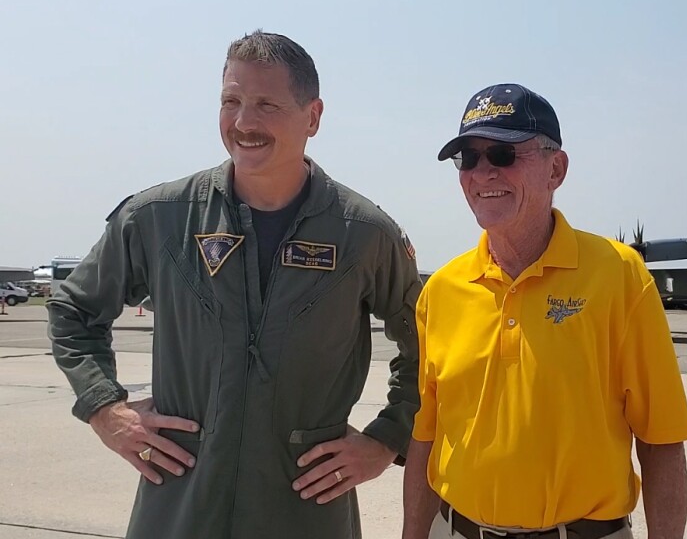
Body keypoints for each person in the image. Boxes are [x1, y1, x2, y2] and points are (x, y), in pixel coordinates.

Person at [47, 30, 422, 539]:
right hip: (180, 507)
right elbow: (73, 310)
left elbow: (429, 344)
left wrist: (387, 438)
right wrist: (104, 409)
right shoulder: (159, 219)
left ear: (312, 117)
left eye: (267, 104)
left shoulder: (364, 234)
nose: (244, 123)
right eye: (231, 101)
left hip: (305, 509)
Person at [402, 84, 687, 539]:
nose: (483, 173)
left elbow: (661, 440)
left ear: (555, 169)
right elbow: (427, 436)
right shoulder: (440, 291)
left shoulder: (620, 276)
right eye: (469, 158)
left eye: (503, 154)